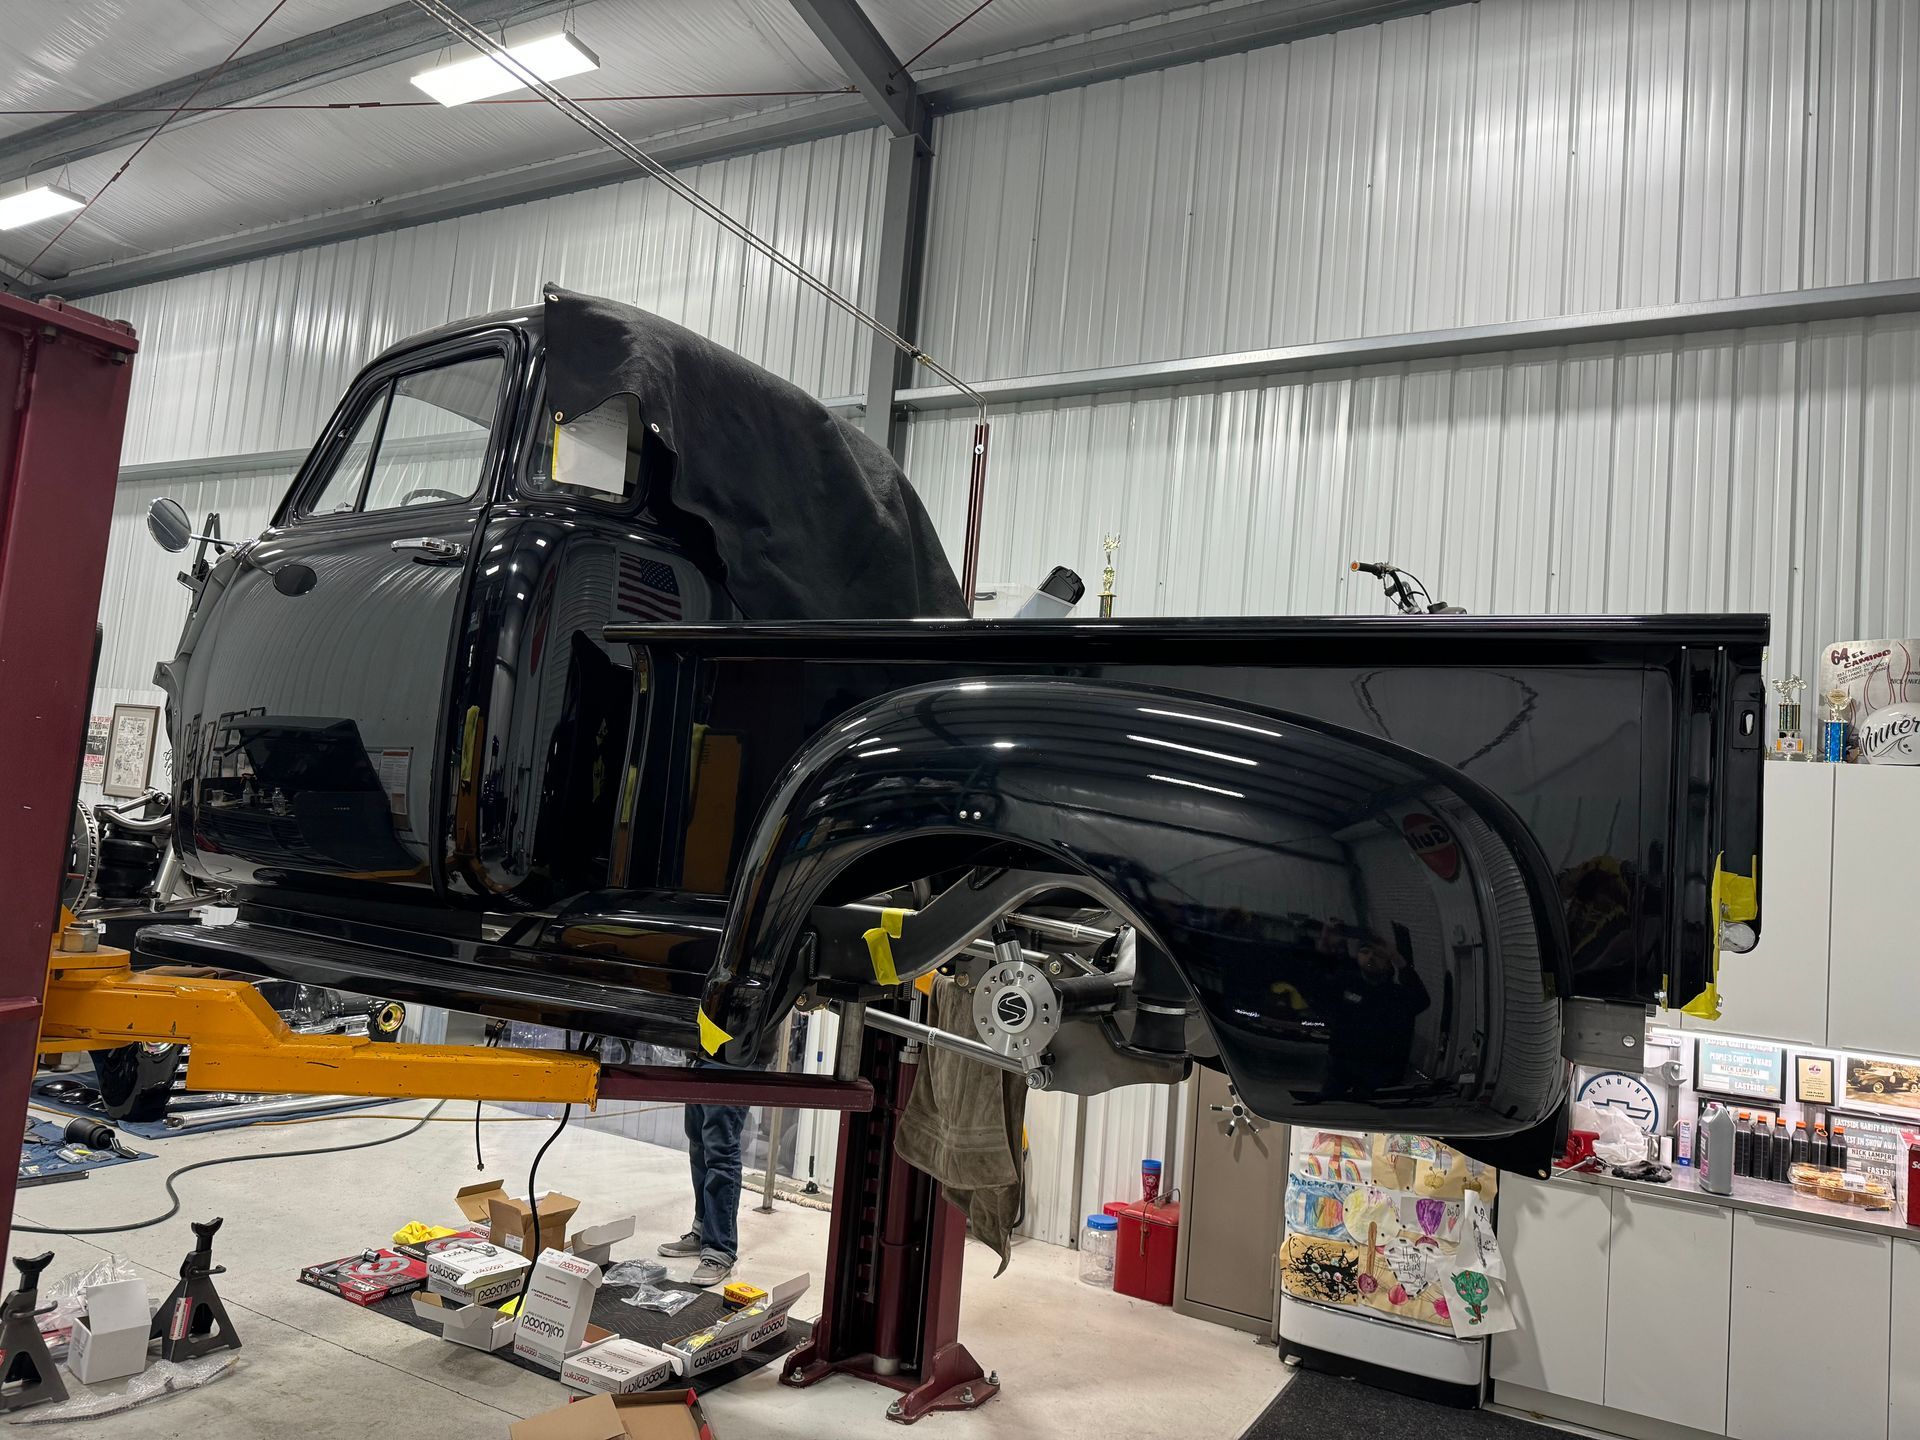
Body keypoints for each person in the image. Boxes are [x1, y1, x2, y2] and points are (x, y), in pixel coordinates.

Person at [657, 1100, 749, 1286]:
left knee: (721, 1147)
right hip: (698, 1071)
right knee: (698, 1144)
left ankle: (720, 1248)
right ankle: (702, 1231)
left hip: (731, 1070)